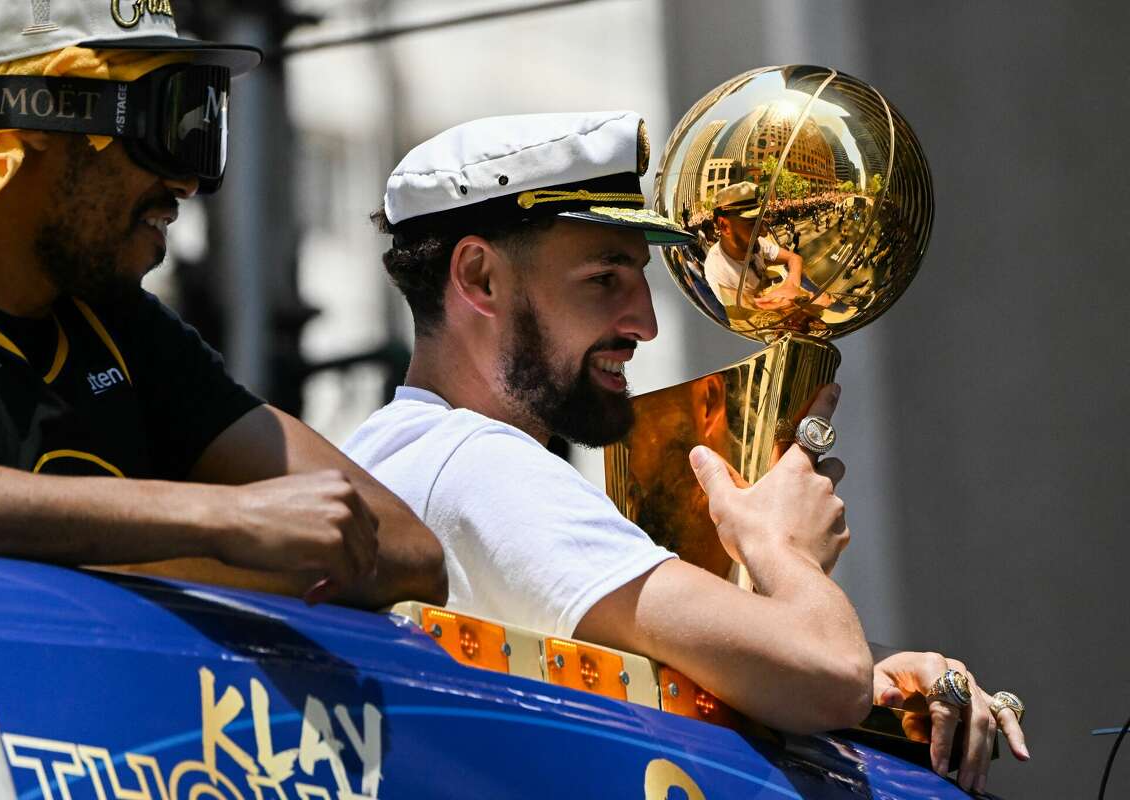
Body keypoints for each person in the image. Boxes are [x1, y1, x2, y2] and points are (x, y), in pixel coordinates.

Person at [346, 111, 1028, 793]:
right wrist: (778, 546)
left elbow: (766, 677)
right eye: (604, 278)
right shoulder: (477, 466)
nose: (643, 322)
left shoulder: (391, 454)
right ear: (479, 278)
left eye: (640, 278)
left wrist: (886, 679)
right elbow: (828, 675)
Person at [0, 0, 446, 608]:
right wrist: (215, 522)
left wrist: (123, 540)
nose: (189, 183)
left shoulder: (123, 325)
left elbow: (406, 550)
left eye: (204, 127)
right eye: (164, 123)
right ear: (36, 113)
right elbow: (246, 528)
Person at [702, 181, 805, 312]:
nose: (764, 232)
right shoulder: (716, 268)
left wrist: (791, 284)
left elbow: (795, 258)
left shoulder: (754, 243)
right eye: (752, 224)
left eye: (761, 222)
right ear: (724, 226)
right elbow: (748, 311)